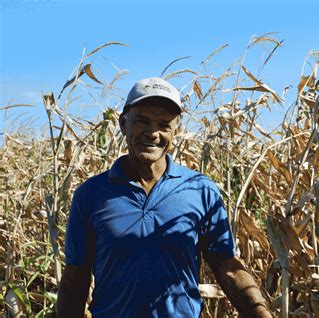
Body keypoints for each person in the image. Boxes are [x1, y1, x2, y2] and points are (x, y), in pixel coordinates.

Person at [56, 78, 272, 317]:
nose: (152, 133)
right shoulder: (91, 194)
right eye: (142, 121)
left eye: (164, 124)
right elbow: (75, 279)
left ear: (176, 131)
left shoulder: (200, 190)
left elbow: (227, 267)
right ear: (122, 124)